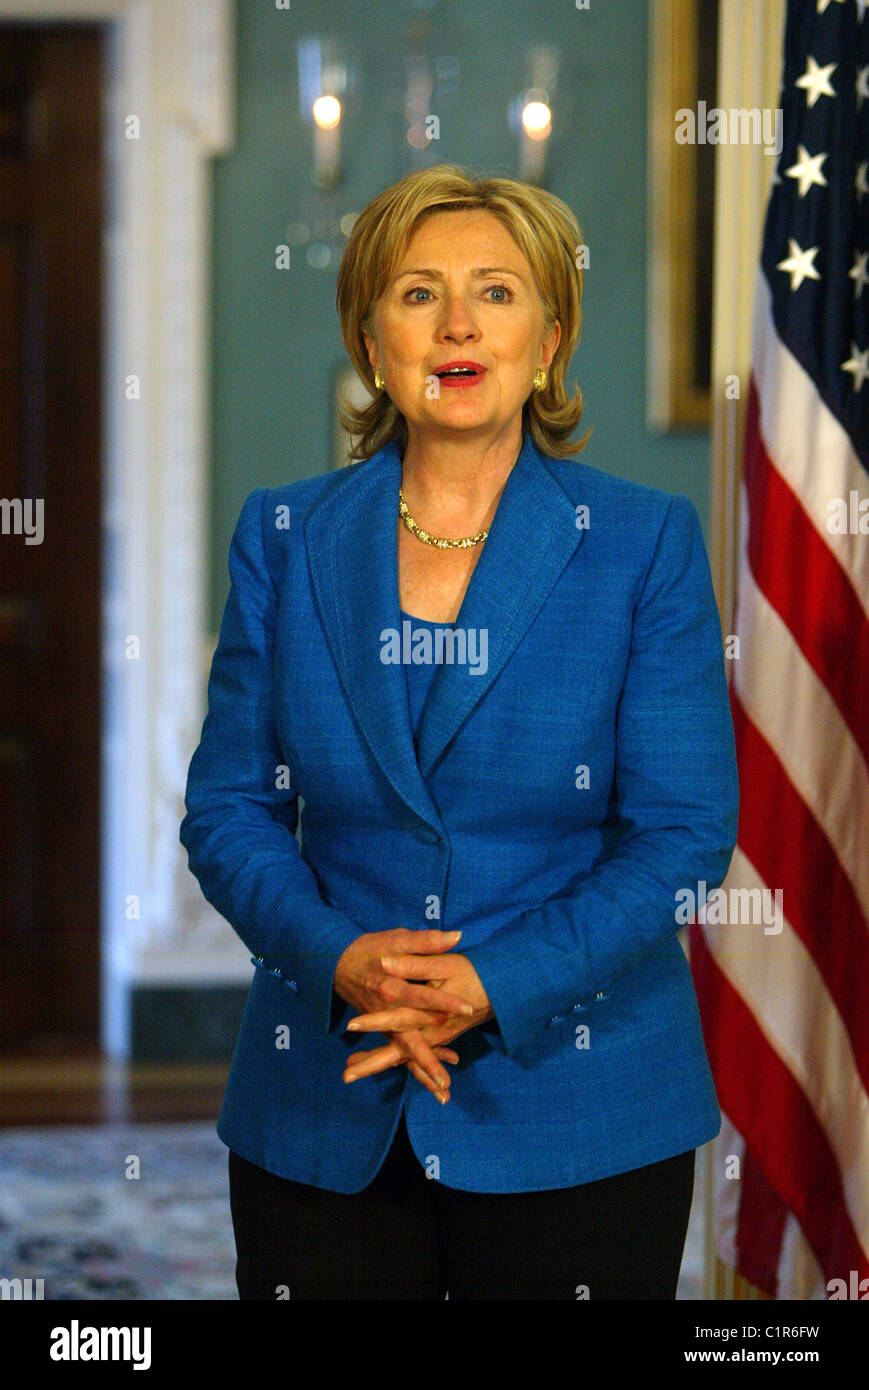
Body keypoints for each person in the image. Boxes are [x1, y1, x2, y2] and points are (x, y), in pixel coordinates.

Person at [180, 163, 739, 1301]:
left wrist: (490, 979)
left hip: (577, 1102)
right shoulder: (282, 536)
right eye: (416, 291)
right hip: (323, 1099)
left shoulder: (643, 543)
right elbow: (229, 806)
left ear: (548, 338)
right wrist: (342, 958)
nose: (455, 323)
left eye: (494, 290)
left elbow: (681, 834)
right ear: (371, 338)